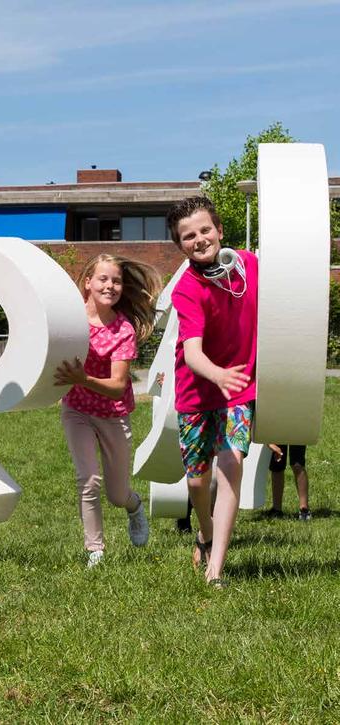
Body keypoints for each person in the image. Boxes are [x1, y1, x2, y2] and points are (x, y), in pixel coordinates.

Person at [166, 196, 259, 589]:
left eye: (205, 230)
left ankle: (216, 570)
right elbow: (191, 354)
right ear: (180, 245)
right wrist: (217, 374)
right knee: (197, 483)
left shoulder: (251, 265)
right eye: (189, 236)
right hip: (197, 393)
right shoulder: (186, 289)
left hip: (240, 387)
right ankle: (204, 533)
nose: (200, 239)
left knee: (231, 468)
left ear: (220, 231)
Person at [55, 253, 161, 568]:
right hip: (77, 410)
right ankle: (95, 551)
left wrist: (82, 378)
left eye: (116, 280)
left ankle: (135, 506)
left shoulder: (123, 329)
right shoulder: (70, 319)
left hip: (113, 413)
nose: (110, 285)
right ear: (88, 282)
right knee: (88, 480)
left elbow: (117, 385)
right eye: (103, 278)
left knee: (117, 494)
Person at [267, 444, 310, 521]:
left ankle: (304, 509)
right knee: (277, 463)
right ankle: (276, 509)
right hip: (277, 432)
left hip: (298, 432)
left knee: (298, 464)